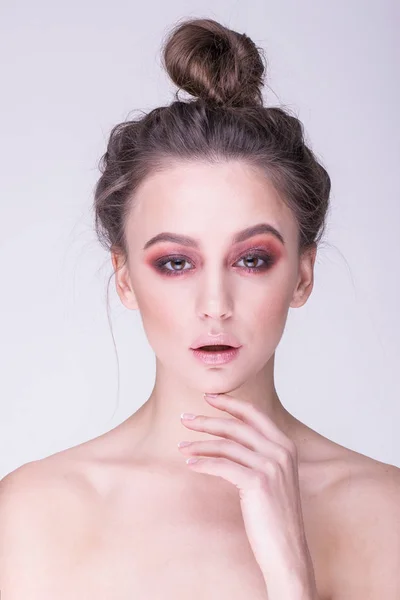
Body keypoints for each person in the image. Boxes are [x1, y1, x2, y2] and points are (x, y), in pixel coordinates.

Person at [0, 16, 399, 600]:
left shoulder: (388, 515)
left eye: (253, 259)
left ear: (302, 275)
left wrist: (290, 573)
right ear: (126, 279)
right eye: (175, 263)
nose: (215, 305)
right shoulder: (32, 516)